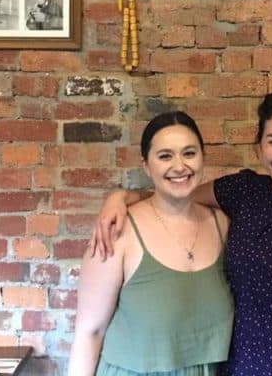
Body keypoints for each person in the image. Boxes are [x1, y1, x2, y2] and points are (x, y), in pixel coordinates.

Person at [91, 92, 272, 376]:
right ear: (259, 147)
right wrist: (121, 197)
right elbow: (178, 192)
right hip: (247, 365)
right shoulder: (243, 192)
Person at [67, 111, 233, 376]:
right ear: (146, 166)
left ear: (203, 158)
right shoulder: (117, 231)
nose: (179, 166)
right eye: (165, 156)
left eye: (189, 153)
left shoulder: (222, 225)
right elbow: (90, 332)